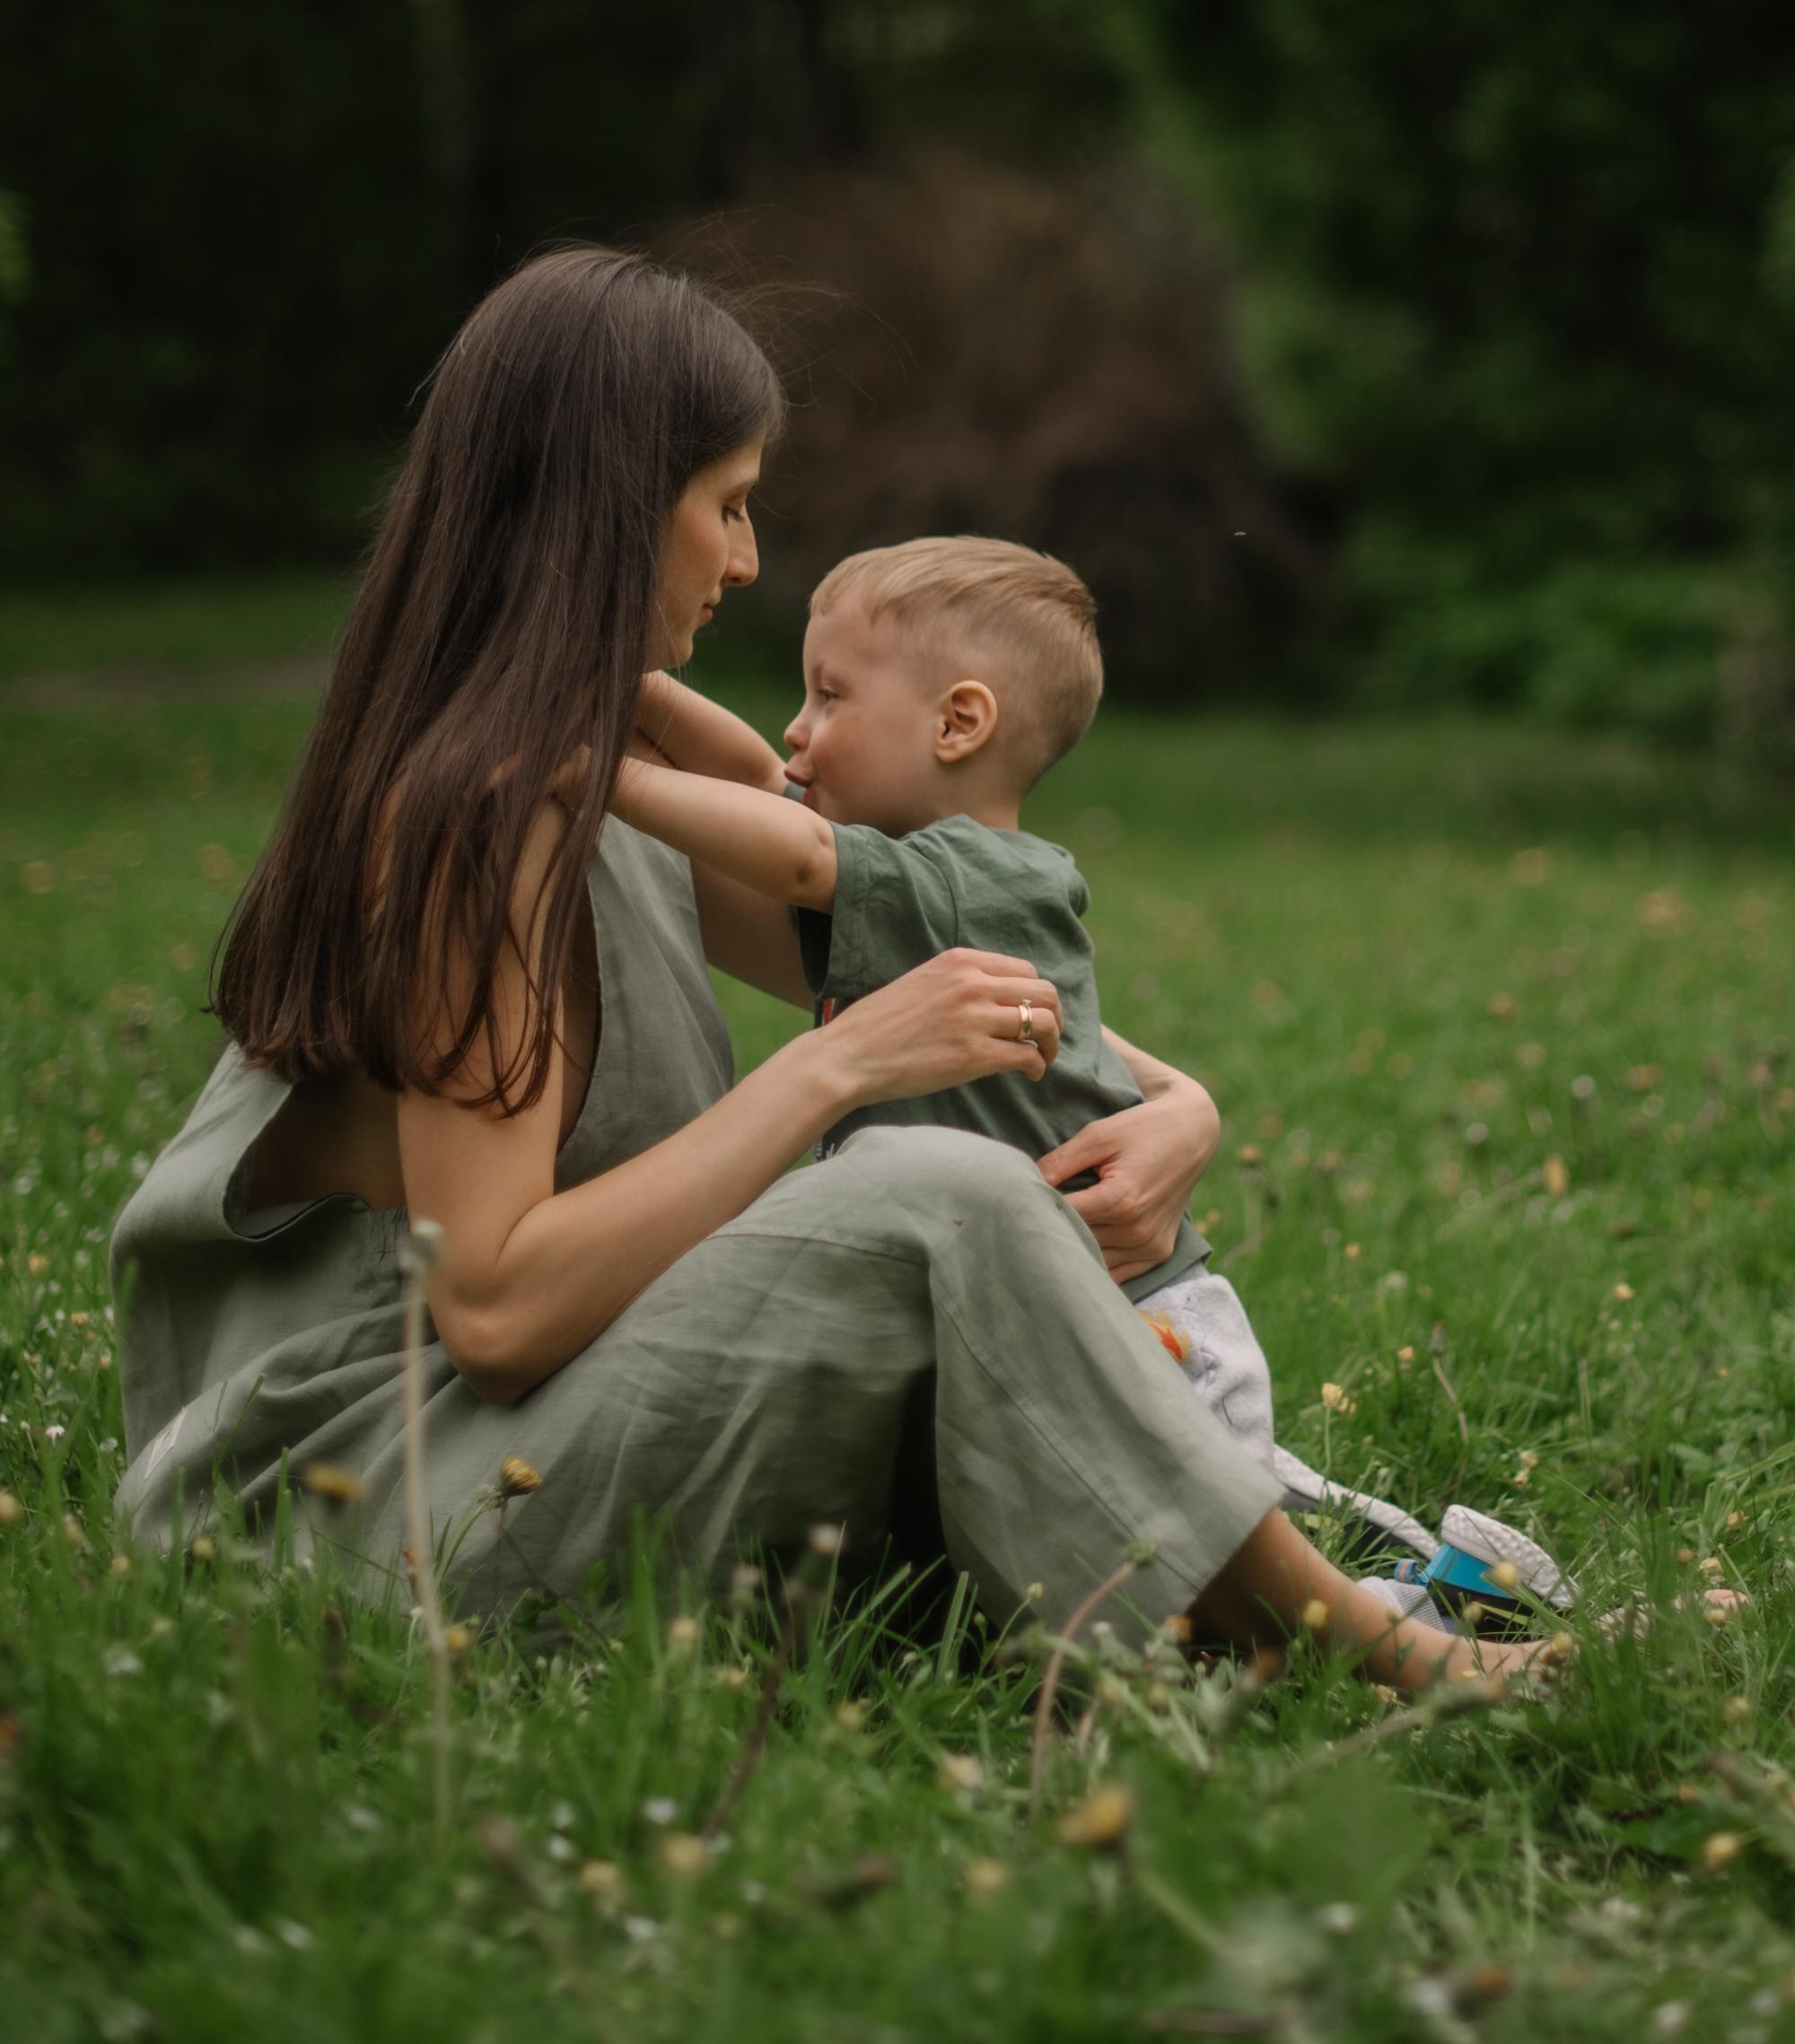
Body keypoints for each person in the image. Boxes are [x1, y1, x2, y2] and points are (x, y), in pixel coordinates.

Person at [109, 246, 1553, 1695]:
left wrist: (1184, 1106)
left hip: (519, 1448)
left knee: (936, 1220)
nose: (744, 559)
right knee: (935, 1194)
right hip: (370, 1514)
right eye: (726, 505)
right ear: (613, 511)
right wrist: (836, 1067)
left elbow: (923, 949)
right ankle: (1375, 1654)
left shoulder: (600, 772)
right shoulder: (476, 824)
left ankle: (1252, 1618)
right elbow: (493, 1314)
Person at [609, 537, 1573, 1629]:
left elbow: (784, 850)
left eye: (828, 695)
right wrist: (614, 686)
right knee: (1177, 1561)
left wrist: (602, 770)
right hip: (1066, 1301)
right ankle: (1417, 1585)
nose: (796, 728)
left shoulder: (967, 872)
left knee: (1215, 1578)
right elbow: (752, 777)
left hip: (1131, 1317)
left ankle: (1445, 1597)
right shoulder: (924, 886)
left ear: (957, 724)